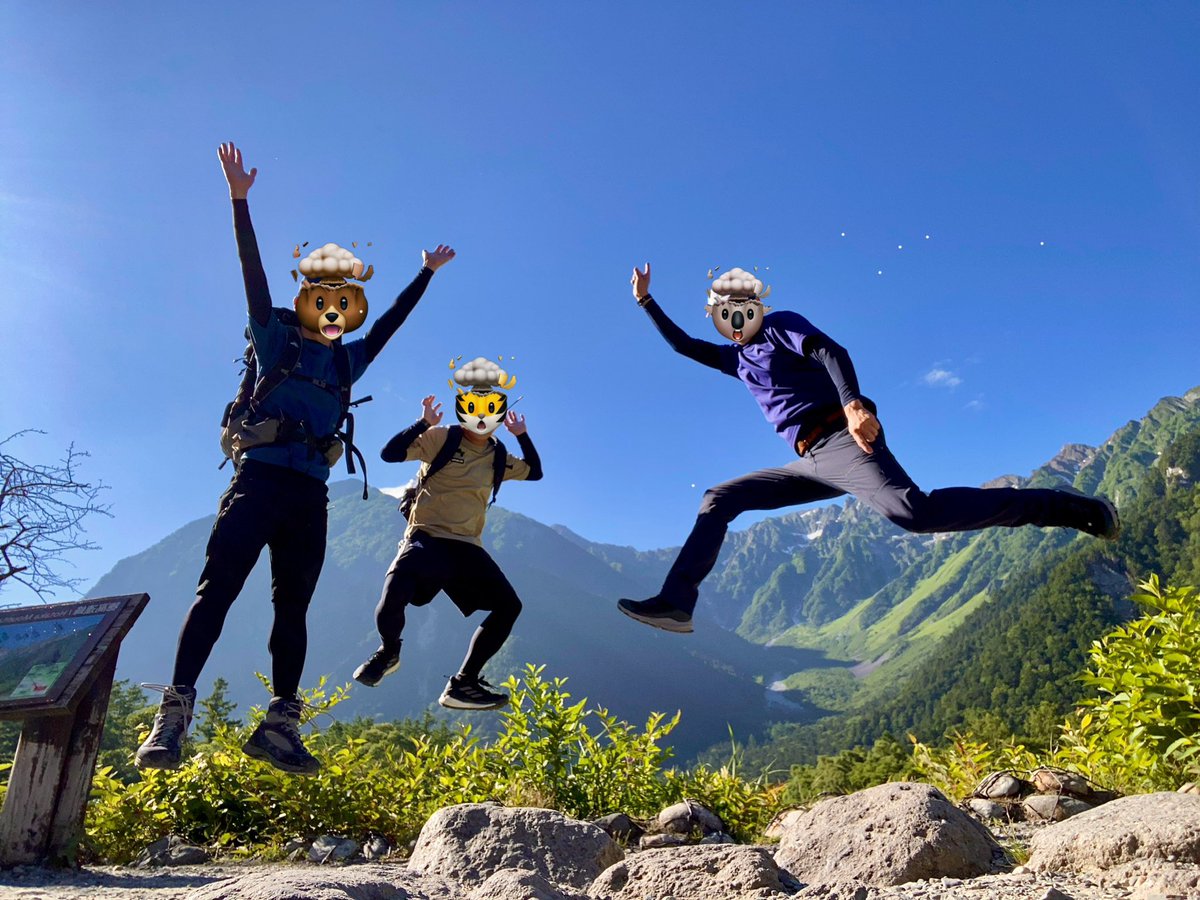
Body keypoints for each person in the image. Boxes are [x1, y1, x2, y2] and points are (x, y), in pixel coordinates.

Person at [136, 142, 456, 774]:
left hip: (309, 494)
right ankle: (172, 718)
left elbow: (389, 325)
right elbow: (252, 276)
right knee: (218, 590)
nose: (334, 310)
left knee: (294, 606)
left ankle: (280, 724)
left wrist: (425, 274)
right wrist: (239, 200)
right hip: (258, 482)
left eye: (344, 303)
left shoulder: (345, 360)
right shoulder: (273, 337)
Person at [617, 263, 1120, 634]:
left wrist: (854, 405)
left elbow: (829, 350)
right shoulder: (737, 359)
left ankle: (1071, 508)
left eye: (742, 309)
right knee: (719, 498)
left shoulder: (777, 326)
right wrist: (645, 301)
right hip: (810, 460)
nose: (737, 319)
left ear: (755, 306)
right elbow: (683, 346)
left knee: (912, 513)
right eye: (726, 315)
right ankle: (677, 602)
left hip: (841, 437)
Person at [353, 360, 542, 710]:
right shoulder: (443, 438)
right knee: (394, 593)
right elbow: (389, 454)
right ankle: (387, 652)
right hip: (426, 536)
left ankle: (463, 684)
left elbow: (535, 473)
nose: (482, 416)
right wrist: (424, 422)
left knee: (509, 606)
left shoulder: (499, 455)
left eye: (491, 408)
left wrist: (522, 436)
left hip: (467, 547)